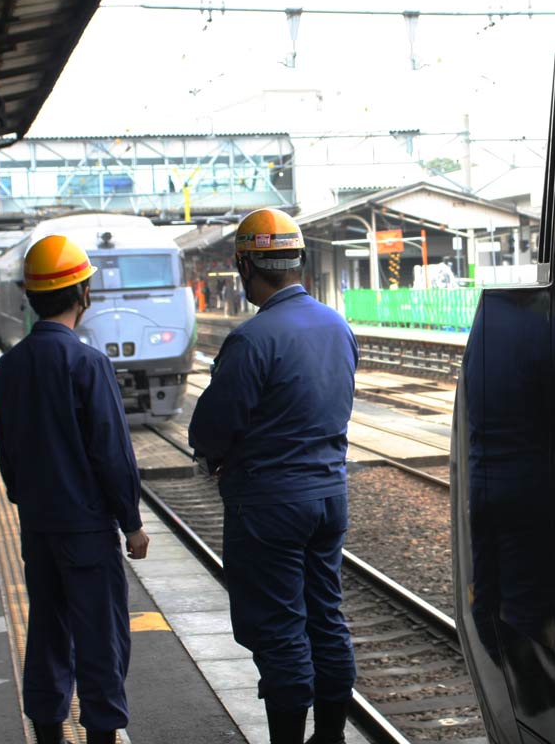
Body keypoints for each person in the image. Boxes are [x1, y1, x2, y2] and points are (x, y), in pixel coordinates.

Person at [189, 208, 358, 744]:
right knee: (325, 618)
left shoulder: (253, 339)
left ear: (245, 267)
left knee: (281, 632)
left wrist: (215, 453)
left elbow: (212, 429)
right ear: (299, 261)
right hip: (329, 497)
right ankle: (329, 737)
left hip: (269, 508)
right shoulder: (337, 326)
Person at [0, 235, 151, 744]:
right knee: (100, 637)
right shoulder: (88, 364)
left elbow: (8, 456)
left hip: (38, 526)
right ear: (84, 293)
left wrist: (28, 500)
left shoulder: (7, 367)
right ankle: (102, 732)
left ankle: (48, 732)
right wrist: (131, 521)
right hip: (86, 528)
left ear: (29, 295)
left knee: (46, 632)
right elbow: (111, 452)